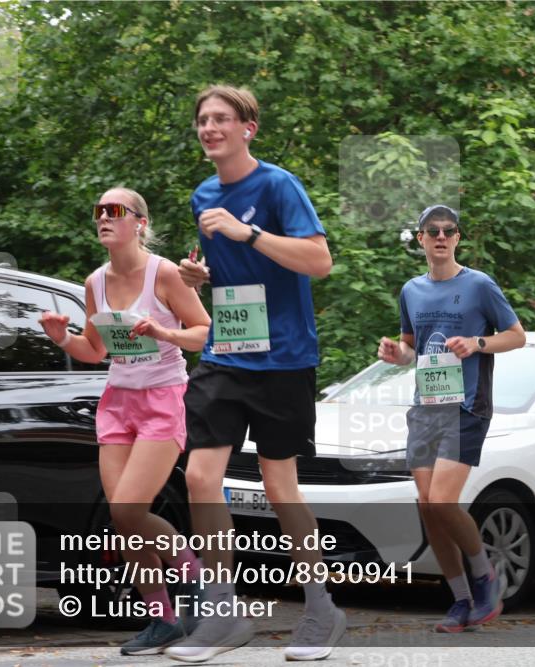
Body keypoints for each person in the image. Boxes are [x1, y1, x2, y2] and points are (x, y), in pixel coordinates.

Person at [165, 85, 345, 664]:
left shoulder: (277, 185)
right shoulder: (204, 194)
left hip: (286, 357)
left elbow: (319, 261)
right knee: (199, 478)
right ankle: (222, 613)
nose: (209, 127)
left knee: (278, 486)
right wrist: (201, 275)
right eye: (202, 120)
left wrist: (250, 234)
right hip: (226, 353)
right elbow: (232, 274)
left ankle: (322, 609)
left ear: (249, 128)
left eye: (221, 119)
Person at [39, 187, 211, 655]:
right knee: (123, 521)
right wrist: (63, 339)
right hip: (117, 402)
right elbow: (95, 351)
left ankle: (195, 578)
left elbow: (202, 332)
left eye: (114, 211)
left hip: (162, 398)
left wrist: (161, 331)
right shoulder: (95, 282)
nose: (103, 218)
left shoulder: (165, 273)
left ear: (139, 222)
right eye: (98, 211)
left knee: (129, 511)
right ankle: (163, 620)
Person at [377, 204, 525, 633]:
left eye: (448, 230)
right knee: (428, 507)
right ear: (421, 239)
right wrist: (395, 354)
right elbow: (410, 348)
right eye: (432, 231)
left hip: (467, 405)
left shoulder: (479, 285)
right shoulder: (411, 290)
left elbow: (517, 336)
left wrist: (477, 343)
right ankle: (462, 601)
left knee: (442, 500)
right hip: (426, 406)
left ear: (457, 238)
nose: (441, 237)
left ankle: (485, 577)